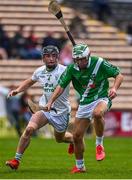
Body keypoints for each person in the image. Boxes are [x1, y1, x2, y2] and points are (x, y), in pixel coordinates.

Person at [42, 43, 124, 173]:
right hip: (85, 102)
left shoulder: (99, 63)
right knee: (77, 136)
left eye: (82, 59)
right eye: (77, 60)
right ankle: (80, 166)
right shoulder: (71, 69)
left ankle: (99, 144)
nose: (79, 62)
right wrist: (50, 101)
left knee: (97, 114)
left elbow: (118, 74)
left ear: (88, 56)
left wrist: (114, 88)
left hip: (101, 97)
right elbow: (60, 86)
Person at [5, 45, 74, 170]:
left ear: (58, 57)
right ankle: (16, 160)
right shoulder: (40, 71)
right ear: (43, 58)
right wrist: (18, 90)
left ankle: (73, 140)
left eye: (54, 56)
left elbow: (72, 81)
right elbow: (30, 81)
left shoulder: (64, 70)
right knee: (29, 129)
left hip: (61, 112)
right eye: (48, 56)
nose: (51, 59)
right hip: (43, 109)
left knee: (60, 139)